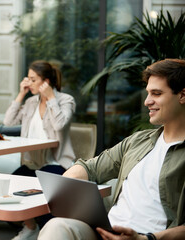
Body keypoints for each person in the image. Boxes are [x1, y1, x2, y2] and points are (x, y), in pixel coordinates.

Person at [38, 59, 185, 240]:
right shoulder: (139, 141)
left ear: (182, 95)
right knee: (57, 226)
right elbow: (90, 168)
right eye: (148, 93)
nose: (147, 101)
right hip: (106, 231)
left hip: (149, 237)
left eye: (156, 93)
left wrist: (145, 239)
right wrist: (64, 187)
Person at [4, 60, 76, 240]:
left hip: (55, 162)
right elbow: (9, 122)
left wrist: (51, 99)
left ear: (46, 82)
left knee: (42, 190)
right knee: (11, 184)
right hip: (32, 163)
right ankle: (31, 228)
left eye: (33, 79)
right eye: (27, 78)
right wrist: (21, 94)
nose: (28, 82)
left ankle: (48, 234)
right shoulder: (30, 102)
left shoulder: (66, 100)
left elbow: (60, 125)